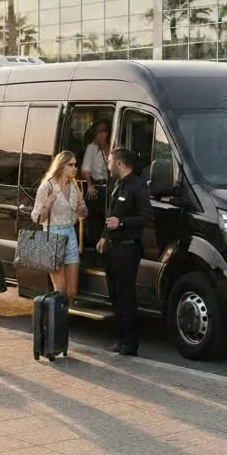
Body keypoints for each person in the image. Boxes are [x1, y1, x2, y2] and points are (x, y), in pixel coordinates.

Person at [97, 147, 153, 356]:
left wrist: (121, 224)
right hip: (113, 248)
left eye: (110, 160)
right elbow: (111, 214)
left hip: (128, 249)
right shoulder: (117, 185)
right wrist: (104, 235)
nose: (108, 164)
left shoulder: (137, 186)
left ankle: (131, 343)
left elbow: (146, 217)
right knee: (115, 296)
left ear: (119, 163)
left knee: (126, 296)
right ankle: (120, 339)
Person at [32, 150, 88, 298]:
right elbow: (37, 218)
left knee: (72, 291)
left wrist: (82, 208)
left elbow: (83, 213)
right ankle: (58, 320)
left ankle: (64, 318)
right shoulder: (47, 186)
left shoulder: (75, 186)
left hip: (70, 233)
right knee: (60, 290)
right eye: (71, 165)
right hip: (53, 235)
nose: (75, 168)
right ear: (61, 166)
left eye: (76, 165)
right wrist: (49, 203)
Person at [81, 120, 111, 200]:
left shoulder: (111, 147)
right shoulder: (91, 148)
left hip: (110, 186)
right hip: (97, 186)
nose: (101, 134)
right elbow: (85, 169)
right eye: (98, 132)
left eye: (104, 131)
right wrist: (90, 185)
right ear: (95, 134)